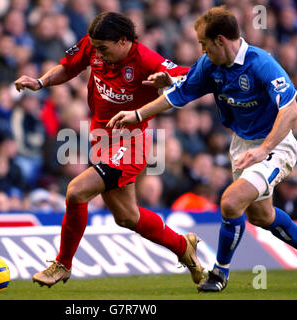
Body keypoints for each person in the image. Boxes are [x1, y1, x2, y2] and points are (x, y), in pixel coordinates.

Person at [107, 6, 297, 292]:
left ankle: (219, 274)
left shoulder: (260, 63)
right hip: (242, 144)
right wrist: (137, 114)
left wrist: (264, 150)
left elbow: (291, 110)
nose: (201, 49)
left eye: (204, 43)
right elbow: (178, 96)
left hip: (276, 144)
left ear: (221, 40)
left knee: (231, 202)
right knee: (261, 216)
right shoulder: (209, 65)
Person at [14, 12, 203, 288]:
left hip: (132, 143)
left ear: (124, 41)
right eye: (95, 48)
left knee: (76, 191)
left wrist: (169, 80)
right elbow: (68, 68)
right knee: (127, 217)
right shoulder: (94, 45)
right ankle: (183, 246)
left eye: (103, 48)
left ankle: (63, 265)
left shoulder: (147, 60)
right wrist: (40, 82)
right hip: (102, 139)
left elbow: (192, 77)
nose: (97, 54)